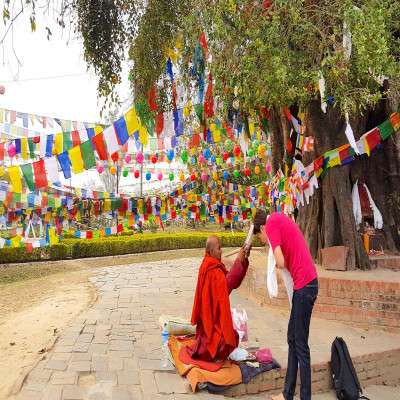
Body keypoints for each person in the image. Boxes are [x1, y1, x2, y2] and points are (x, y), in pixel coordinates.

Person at [253, 210, 318, 400]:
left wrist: (274, 253)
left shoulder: (271, 224)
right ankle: (287, 394)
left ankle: (305, 397)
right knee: (292, 338)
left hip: (305, 287)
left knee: (300, 344)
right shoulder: (278, 219)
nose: (264, 241)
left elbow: (280, 261)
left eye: (260, 238)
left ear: (262, 228)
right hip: (306, 286)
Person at [184, 235, 251, 364]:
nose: (221, 251)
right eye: (219, 248)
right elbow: (227, 286)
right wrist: (238, 261)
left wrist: (243, 260)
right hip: (211, 322)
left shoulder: (212, 264)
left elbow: (231, 281)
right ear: (211, 252)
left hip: (212, 316)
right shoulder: (211, 270)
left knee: (233, 336)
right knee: (229, 339)